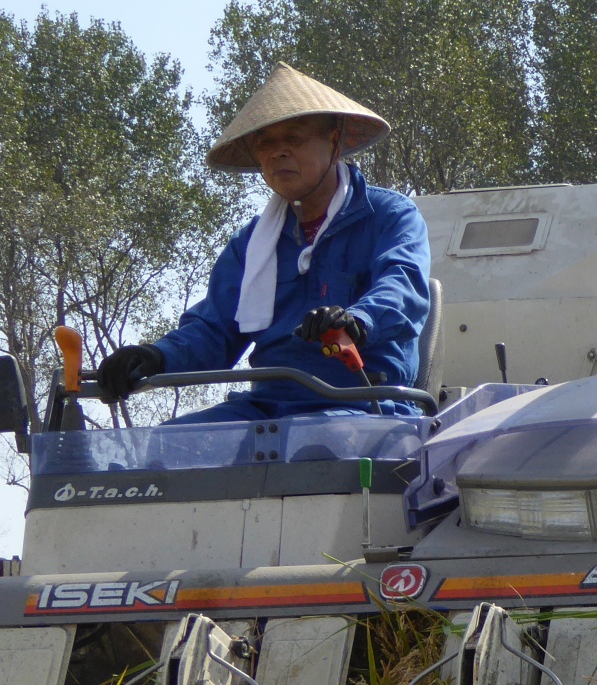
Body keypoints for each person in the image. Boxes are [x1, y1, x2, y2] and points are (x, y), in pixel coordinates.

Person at [95, 63, 432, 422]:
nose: (278, 152)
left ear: (334, 140)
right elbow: (214, 329)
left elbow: (403, 287)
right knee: (165, 449)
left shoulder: (390, 215)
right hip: (268, 409)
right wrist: (154, 356)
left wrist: (357, 320)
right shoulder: (251, 244)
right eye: (265, 142)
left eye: (294, 138)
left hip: (366, 405)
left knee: (319, 447)